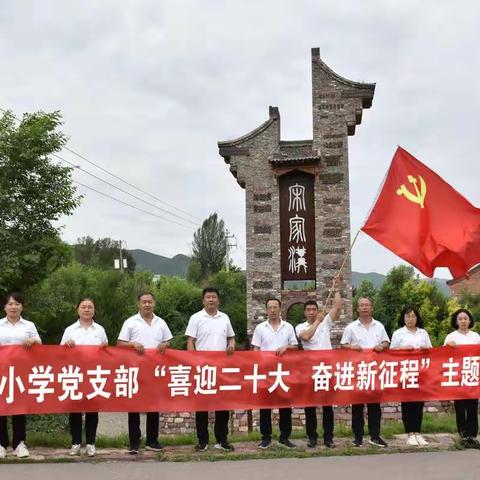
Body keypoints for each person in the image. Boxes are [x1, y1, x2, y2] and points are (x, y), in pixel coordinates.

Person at [117, 292, 173, 454]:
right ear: (138, 304)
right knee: (134, 407)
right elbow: (119, 344)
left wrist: (165, 344)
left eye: (150, 302)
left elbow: (168, 341)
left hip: (155, 371)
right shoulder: (130, 322)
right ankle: (134, 442)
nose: (147, 304)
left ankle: (152, 441)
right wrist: (132, 344)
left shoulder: (160, 322)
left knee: (153, 406)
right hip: (135, 371)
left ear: (154, 304)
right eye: (144, 302)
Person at [185, 287, 235, 452]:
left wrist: (231, 345)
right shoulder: (196, 318)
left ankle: (222, 440)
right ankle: (203, 441)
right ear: (203, 300)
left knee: (223, 405)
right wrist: (193, 361)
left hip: (221, 368)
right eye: (208, 297)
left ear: (218, 300)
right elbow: (190, 341)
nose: (211, 300)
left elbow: (231, 338)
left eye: (214, 297)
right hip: (202, 368)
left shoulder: (225, 317)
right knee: (202, 406)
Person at [61, 298, 108, 457]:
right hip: (74, 374)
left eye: (90, 307)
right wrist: (67, 346)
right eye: (83, 307)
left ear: (94, 311)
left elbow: (107, 351)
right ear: (78, 310)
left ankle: (90, 443)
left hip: (94, 374)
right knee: (74, 410)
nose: (86, 310)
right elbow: (60, 353)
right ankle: (75, 443)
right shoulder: (70, 329)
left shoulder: (100, 330)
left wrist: (104, 349)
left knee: (92, 410)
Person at [295, 287, 342, 448]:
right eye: (308, 310)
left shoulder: (326, 323)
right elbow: (306, 336)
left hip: (326, 368)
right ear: (304, 313)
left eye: (314, 309)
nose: (312, 312)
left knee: (327, 404)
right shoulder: (300, 327)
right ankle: (312, 437)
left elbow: (337, 307)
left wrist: (336, 288)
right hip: (309, 369)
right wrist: (317, 321)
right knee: (310, 405)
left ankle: (328, 437)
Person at [340, 297, 390, 448]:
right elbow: (343, 345)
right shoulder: (351, 327)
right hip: (358, 371)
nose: (364, 307)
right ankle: (358, 437)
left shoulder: (379, 326)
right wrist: (351, 347)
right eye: (361, 305)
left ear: (371, 308)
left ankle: (375, 436)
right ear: (357, 309)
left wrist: (382, 345)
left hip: (375, 371)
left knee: (375, 405)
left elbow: (387, 342)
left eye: (367, 305)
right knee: (358, 406)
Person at [251, 297, 298, 449]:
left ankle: (285, 437)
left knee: (285, 405)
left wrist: (286, 347)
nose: (272, 310)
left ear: (280, 309)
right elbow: (256, 349)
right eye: (270, 307)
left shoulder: (288, 327)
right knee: (265, 405)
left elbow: (295, 347)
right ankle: (265, 437)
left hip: (284, 371)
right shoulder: (260, 328)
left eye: (275, 307)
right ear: (266, 310)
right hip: (266, 371)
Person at [0, 292, 42, 459]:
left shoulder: (29, 326)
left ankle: (19, 444)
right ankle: (2, 444)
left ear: (22, 307)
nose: (13, 307)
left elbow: (40, 345)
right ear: (5, 307)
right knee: (1, 408)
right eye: (10, 304)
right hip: (2, 372)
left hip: (21, 372)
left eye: (17, 304)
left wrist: (33, 341)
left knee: (19, 408)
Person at [390, 305, 432, 446]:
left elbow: (431, 351)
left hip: (421, 372)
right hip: (405, 372)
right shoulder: (398, 333)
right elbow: (391, 352)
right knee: (407, 403)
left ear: (417, 318)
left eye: (413, 316)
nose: (410, 319)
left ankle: (418, 433)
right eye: (407, 316)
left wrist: (426, 349)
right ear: (403, 318)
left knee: (419, 403)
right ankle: (410, 434)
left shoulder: (423, 333)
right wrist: (403, 349)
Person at [444, 308, 480, 449]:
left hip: (472, 375)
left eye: (466, 318)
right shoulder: (451, 337)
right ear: (456, 321)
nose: (463, 321)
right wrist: (448, 347)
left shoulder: (476, 336)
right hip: (458, 376)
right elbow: (442, 356)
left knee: (472, 406)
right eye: (460, 319)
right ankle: (463, 435)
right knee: (460, 407)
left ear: (470, 320)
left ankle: (472, 436)